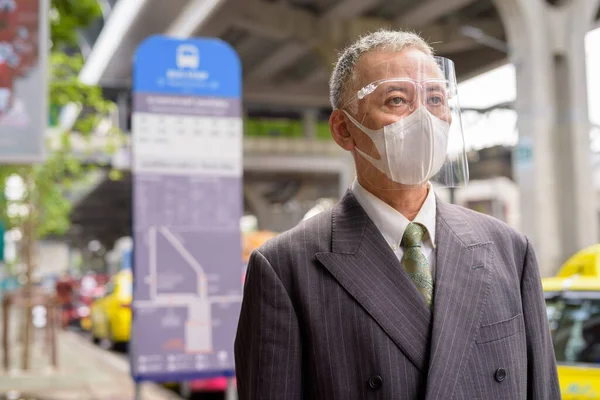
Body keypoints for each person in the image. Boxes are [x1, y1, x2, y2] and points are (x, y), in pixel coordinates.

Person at [234, 29, 560, 399]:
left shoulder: (509, 249)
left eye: (435, 98)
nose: (424, 118)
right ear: (344, 129)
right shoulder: (285, 267)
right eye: (396, 100)